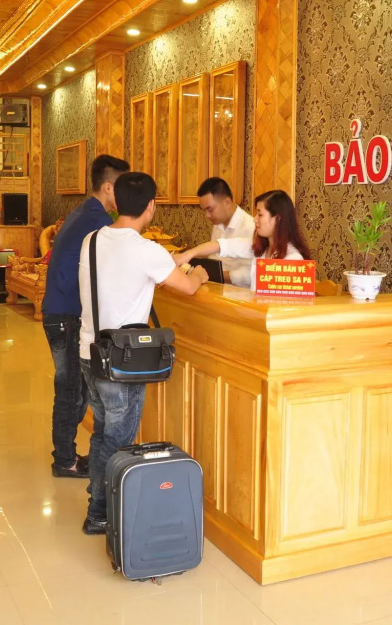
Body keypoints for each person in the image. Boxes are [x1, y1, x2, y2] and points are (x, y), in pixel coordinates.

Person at [78, 172, 209, 535]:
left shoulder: (92, 240)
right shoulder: (147, 251)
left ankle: (98, 502)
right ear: (151, 207)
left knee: (102, 432)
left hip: (90, 352)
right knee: (117, 440)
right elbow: (187, 287)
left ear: (116, 203)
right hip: (122, 362)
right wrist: (200, 274)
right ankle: (100, 513)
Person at [42, 154, 130, 479]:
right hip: (67, 316)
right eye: (122, 187)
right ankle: (64, 461)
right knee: (71, 392)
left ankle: (65, 456)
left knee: (73, 391)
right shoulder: (98, 222)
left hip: (61, 312)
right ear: (108, 187)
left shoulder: (85, 213)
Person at [174, 189, 311, 288]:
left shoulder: (293, 259)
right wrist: (188, 254)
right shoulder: (260, 247)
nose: (255, 219)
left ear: (277, 218)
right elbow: (222, 245)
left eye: (260, 215)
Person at [197, 177, 255, 286]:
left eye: (210, 209)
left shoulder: (250, 227)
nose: (207, 215)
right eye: (204, 210)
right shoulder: (218, 224)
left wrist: (217, 275)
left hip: (239, 293)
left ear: (227, 202)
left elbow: (251, 274)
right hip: (216, 289)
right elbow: (214, 259)